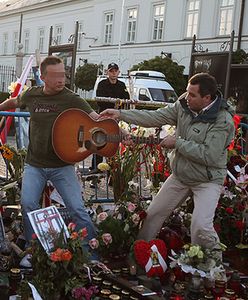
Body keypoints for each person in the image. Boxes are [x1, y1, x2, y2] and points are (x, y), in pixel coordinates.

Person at [99, 72, 235, 252]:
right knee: (152, 214)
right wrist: (121, 114)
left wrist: (177, 143)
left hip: (207, 180)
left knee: (201, 226)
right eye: (187, 92)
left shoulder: (223, 120)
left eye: (192, 94)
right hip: (181, 176)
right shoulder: (183, 105)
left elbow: (209, 154)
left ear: (207, 98)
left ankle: (212, 270)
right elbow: (154, 117)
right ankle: (140, 255)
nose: (187, 97)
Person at [0, 56, 99, 265]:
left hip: (62, 166)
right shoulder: (33, 94)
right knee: (27, 203)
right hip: (34, 164)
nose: (61, 79)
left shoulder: (71, 98)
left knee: (77, 209)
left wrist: (115, 126)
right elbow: (15, 101)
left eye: (63, 74)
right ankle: (32, 248)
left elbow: (94, 117)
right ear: (43, 77)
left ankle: (90, 253)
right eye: (55, 76)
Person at [90, 62, 130, 173]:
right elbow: (99, 101)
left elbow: (127, 100)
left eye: (115, 71)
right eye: (111, 71)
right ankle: (96, 170)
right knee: (99, 142)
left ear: (118, 72)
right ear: (107, 72)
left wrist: (118, 109)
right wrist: (113, 106)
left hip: (117, 119)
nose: (113, 73)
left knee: (115, 144)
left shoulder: (122, 85)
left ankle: (113, 172)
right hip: (103, 118)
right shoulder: (102, 84)